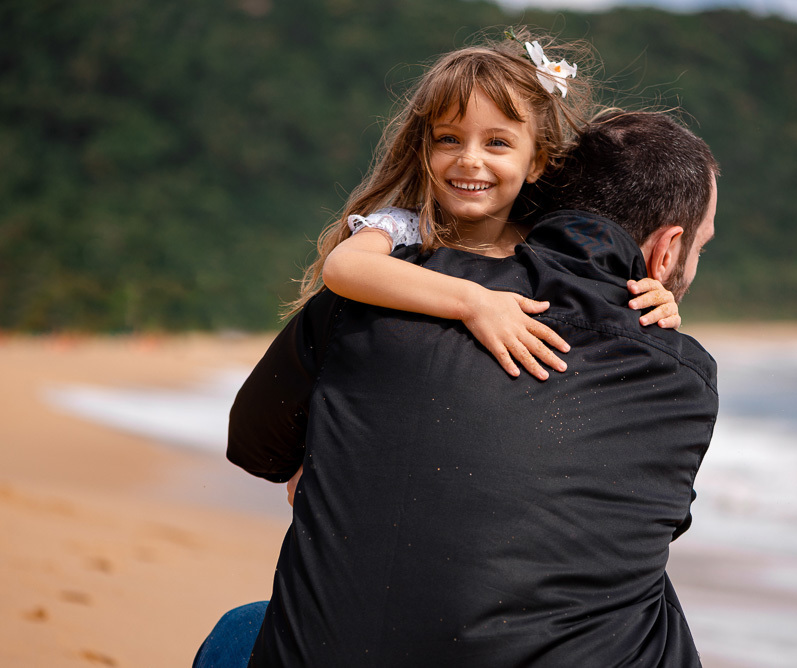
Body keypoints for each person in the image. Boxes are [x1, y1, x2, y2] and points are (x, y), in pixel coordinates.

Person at [198, 107, 720, 667]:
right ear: (667, 250)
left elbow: (254, 444)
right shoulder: (680, 376)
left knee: (243, 629)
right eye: (701, 247)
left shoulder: (390, 292)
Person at [287, 31, 680, 384]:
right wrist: (473, 303)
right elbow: (344, 267)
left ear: (537, 161)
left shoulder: (547, 241)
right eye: (448, 139)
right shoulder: (405, 227)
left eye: (497, 143)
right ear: (422, 147)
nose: (470, 159)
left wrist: (655, 301)